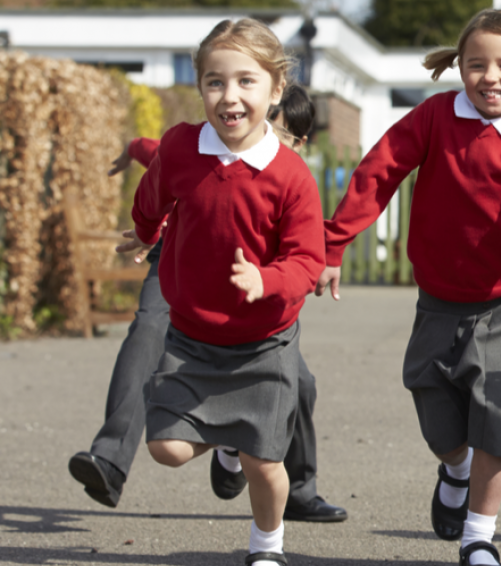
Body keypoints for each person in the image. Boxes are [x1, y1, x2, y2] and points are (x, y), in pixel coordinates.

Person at [313, 9, 501, 566]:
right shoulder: (436, 116)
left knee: (498, 418)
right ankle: (455, 471)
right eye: (476, 65)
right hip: (439, 301)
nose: (490, 77)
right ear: (460, 68)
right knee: (437, 415)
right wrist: (334, 244)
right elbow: (378, 171)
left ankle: (479, 537)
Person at [70, 84, 346, 524]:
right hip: (184, 263)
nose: (263, 135)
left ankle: (292, 486)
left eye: (281, 133)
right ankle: (110, 457)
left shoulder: (287, 176)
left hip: (252, 283)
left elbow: (305, 249)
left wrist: (300, 269)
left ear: (298, 141)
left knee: (301, 384)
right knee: (147, 333)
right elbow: (157, 154)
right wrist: (131, 152)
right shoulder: (199, 146)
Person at [115, 19, 327, 566]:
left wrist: (267, 279)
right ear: (200, 86)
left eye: (246, 82)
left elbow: (307, 259)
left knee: (264, 463)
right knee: (165, 448)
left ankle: (267, 547)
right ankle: (228, 440)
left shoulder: (291, 176)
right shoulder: (183, 145)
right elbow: (153, 194)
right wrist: (142, 234)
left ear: (276, 89)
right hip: (192, 336)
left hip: (264, 342)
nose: (229, 97)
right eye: (215, 82)